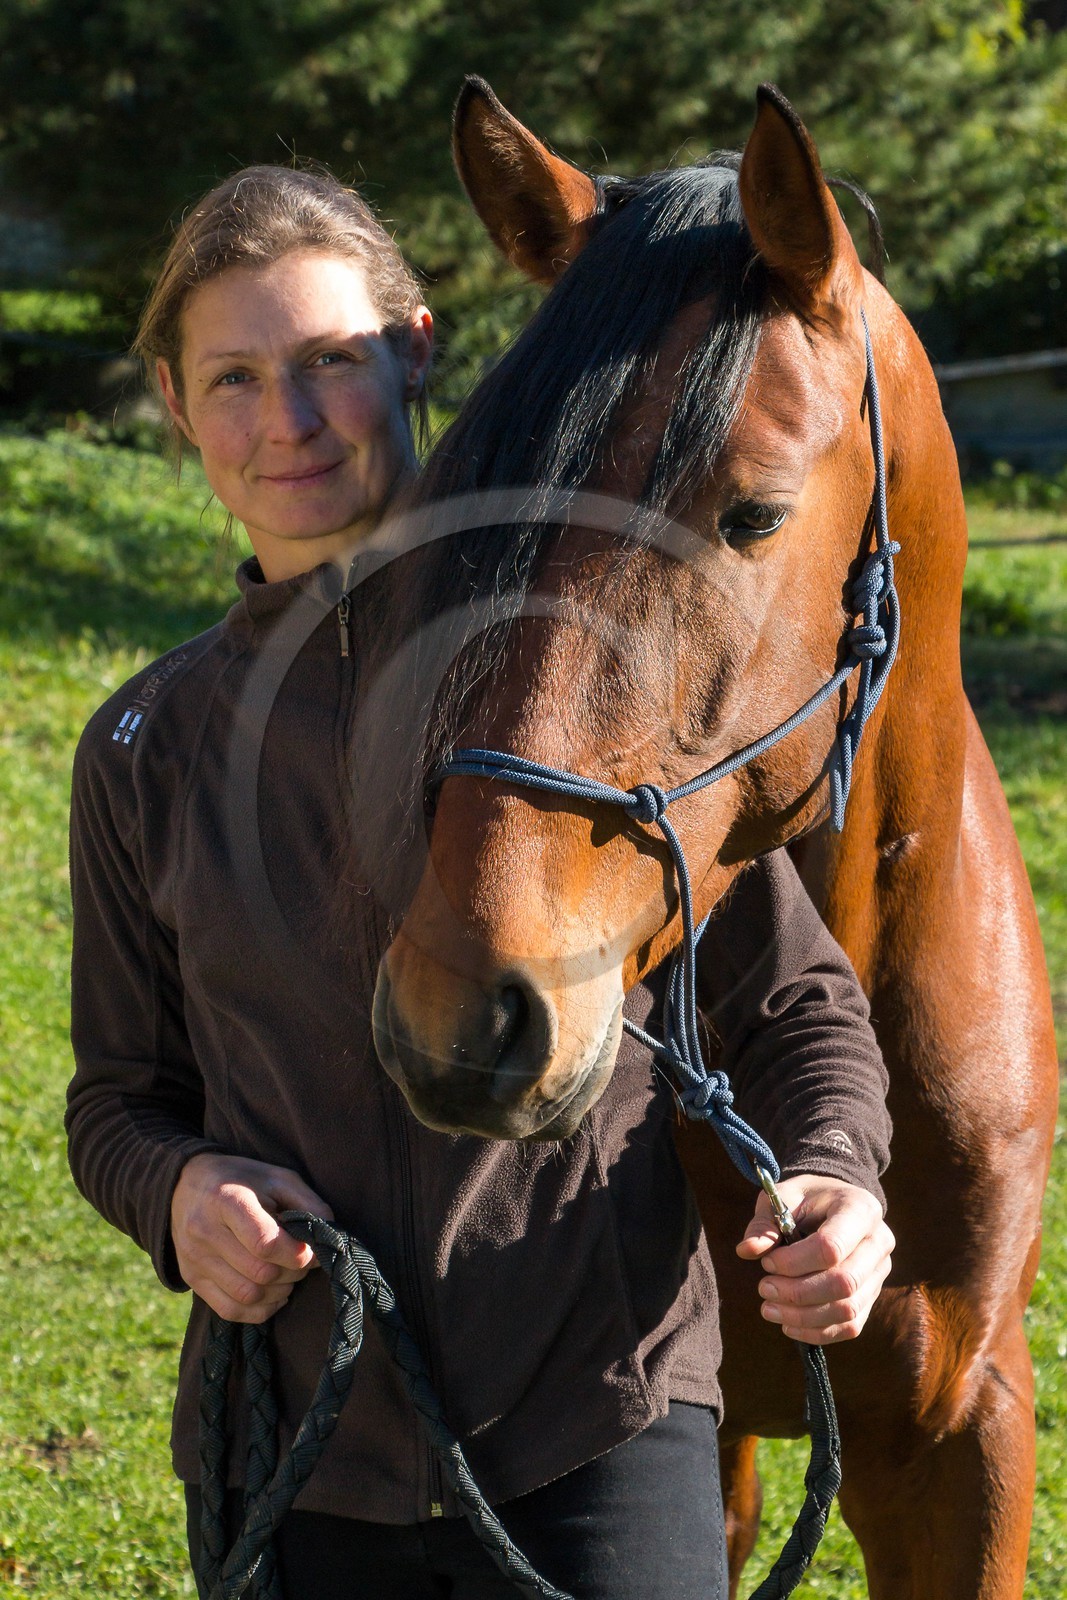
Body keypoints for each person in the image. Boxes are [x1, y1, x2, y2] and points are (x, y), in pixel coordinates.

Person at [66, 164, 894, 1600]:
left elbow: (796, 1006)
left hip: (601, 1426)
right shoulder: (146, 745)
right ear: (175, 402)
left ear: (417, 352)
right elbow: (118, 1102)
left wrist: (835, 1174)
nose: (289, 421)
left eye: (331, 360)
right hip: (293, 1453)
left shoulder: (570, 670)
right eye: (236, 377)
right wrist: (181, 1191)